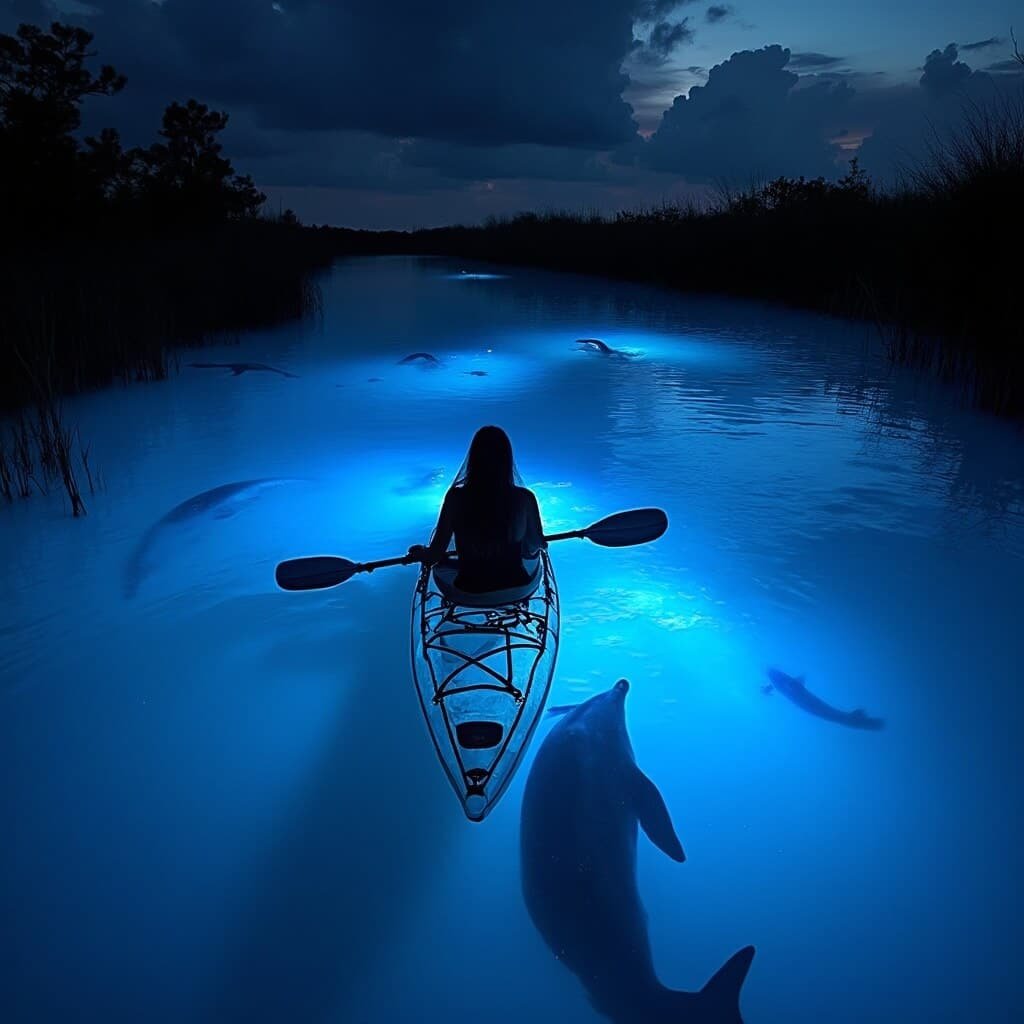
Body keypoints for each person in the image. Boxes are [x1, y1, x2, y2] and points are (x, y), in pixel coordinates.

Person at [408, 425, 545, 593]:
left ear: (473, 459)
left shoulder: (455, 498)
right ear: (507, 459)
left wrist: (421, 553)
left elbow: (435, 555)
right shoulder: (525, 498)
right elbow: (535, 546)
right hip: (516, 583)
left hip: (471, 586)